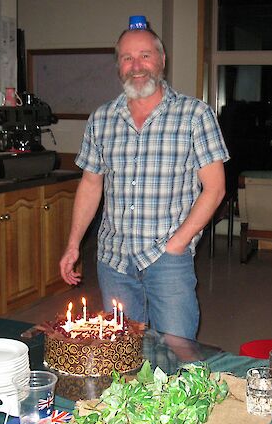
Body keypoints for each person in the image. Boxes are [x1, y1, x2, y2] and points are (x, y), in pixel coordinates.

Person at [59, 24, 229, 340]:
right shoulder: (102, 118)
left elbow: (215, 187)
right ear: (118, 66)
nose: (136, 66)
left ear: (162, 60)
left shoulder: (194, 115)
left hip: (167, 257)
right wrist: (73, 245)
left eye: (145, 56)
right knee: (124, 351)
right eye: (127, 58)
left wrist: (178, 243)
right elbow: (91, 185)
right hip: (114, 260)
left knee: (177, 352)